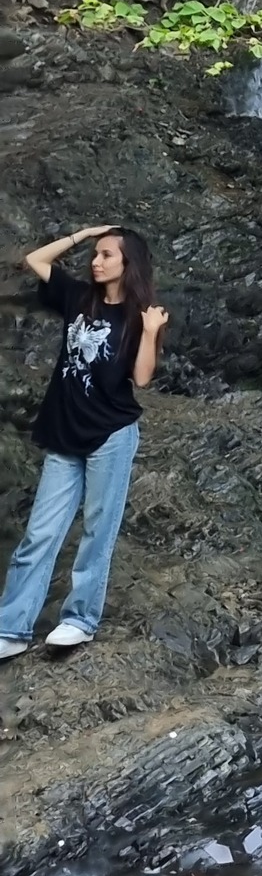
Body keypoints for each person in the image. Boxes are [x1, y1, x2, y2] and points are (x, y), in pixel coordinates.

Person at [1, 224, 170, 659]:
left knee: (98, 532)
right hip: (65, 432)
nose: (97, 261)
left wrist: (151, 332)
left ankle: (79, 620)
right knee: (39, 534)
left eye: (107, 254)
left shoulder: (139, 313)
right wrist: (83, 234)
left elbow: (142, 378)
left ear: (127, 263)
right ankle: (12, 628)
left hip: (111, 435)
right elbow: (36, 261)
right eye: (95, 254)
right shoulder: (78, 297)